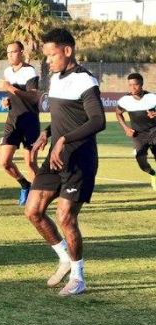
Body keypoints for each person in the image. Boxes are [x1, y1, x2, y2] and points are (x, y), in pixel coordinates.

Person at [25, 28, 105, 297]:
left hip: (79, 160)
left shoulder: (86, 81)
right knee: (33, 211)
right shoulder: (57, 78)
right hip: (56, 158)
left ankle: (78, 277)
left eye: (52, 55)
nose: (48, 61)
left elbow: (97, 121)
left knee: (66, 218)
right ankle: (63, 258)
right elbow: (66, 116)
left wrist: (63, 140)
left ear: (67, 51)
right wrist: (47, 134)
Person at [0, 41, 41, 205]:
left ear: (21, 52)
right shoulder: (7, 71)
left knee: (30, 163)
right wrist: (6, 101)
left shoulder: (29, 71)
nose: (10, 55)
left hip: (29, 121)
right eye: (8, 52)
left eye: (13, 52)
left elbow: (33, 96)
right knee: (4, 162)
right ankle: (24, 184)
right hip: (13, 120)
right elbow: (12, 96)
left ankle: (38, 198)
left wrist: (9, 88)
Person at [115, 73, 156, 190]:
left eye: (135, 85)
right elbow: (118, 113)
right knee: (141, 162)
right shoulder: (125, 100)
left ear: (142, 85)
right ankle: (153, 174)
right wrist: (126, 128)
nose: (132, 88)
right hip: (138, 135)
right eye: (130, 85)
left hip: (154, 131)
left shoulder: (152, 97)